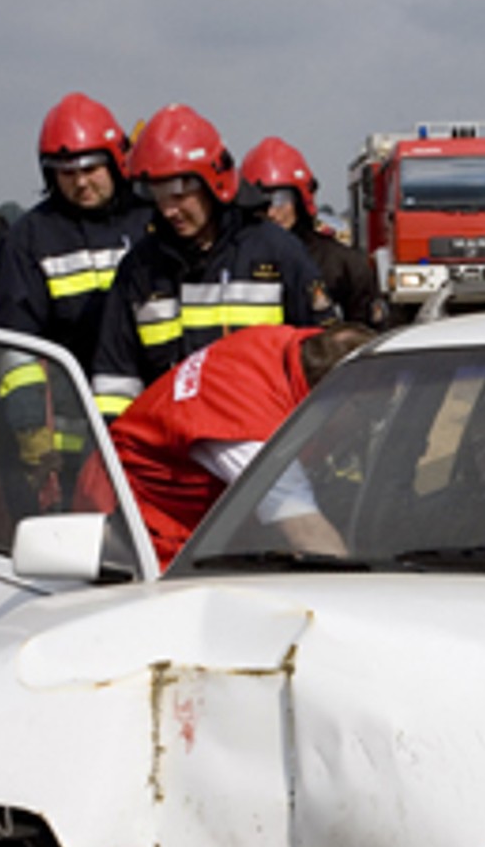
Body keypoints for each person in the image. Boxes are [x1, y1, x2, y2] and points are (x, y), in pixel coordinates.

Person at [91, 104, 333, 424]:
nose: (168, 210)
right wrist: (117, 455)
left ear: (213, 182)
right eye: (158, 196)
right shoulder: (139, 269)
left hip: (266, 448)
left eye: (178, 193)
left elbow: (322, 356)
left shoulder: (277, 252)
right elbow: (115, 380)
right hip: (173, 452)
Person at [83, 322, 376, 566]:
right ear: (340, 401)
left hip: (195, 518)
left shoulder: (285, 347)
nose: (371, 424)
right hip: (137, 526)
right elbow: (304, 530)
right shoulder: (243, 430)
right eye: (368, 413)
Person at [0, 93, 152, 512]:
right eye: (66, 173)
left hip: (149, 416)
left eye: (91, 169)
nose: (80, 183)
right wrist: (29, 431)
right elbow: (16, 344)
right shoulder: (30, 238)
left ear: (117, 161)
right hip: (68, 432)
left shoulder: (150, 223)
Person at [241, 136, 389, 329]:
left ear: (300, 200)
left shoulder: (344, 265)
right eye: (261, 203)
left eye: (280, 199)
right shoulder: (233, 262)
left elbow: (367, 337)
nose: (271, 212)